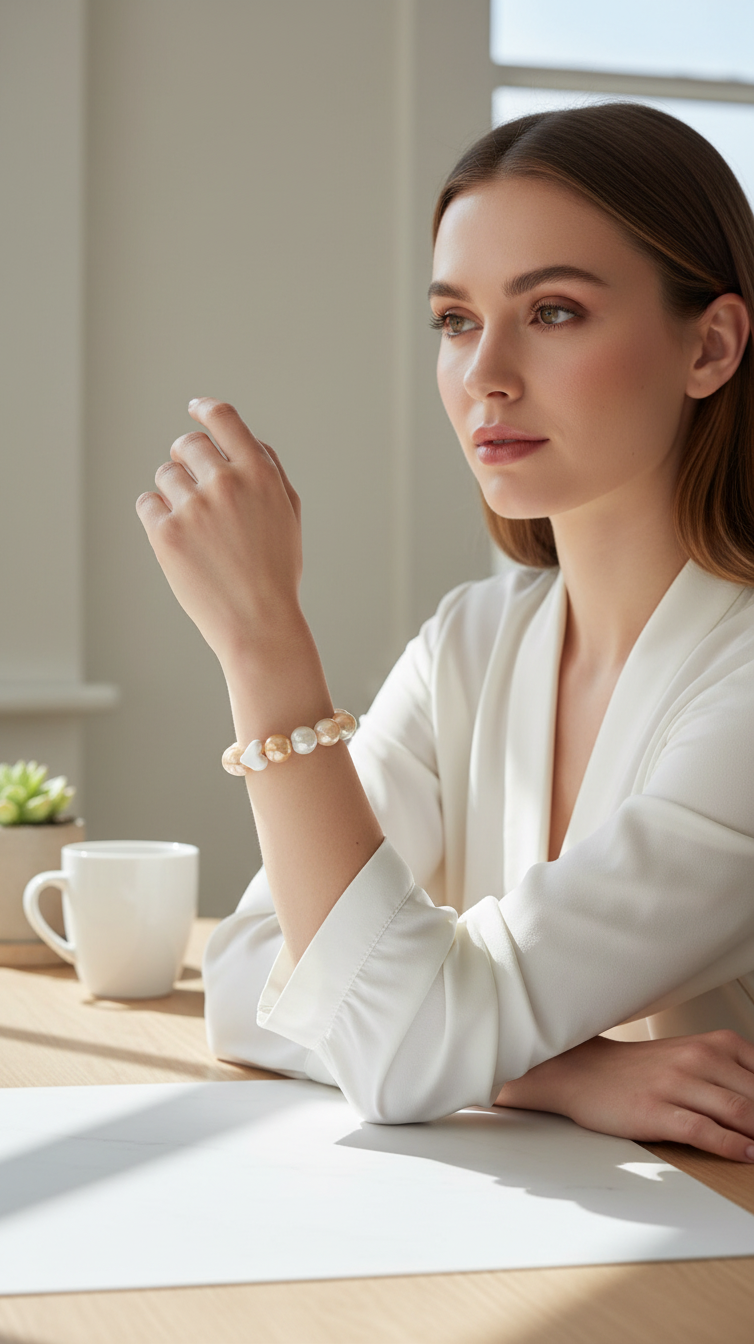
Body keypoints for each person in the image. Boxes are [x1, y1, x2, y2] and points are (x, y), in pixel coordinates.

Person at [136, 103, 754, 1161]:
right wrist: (565, 1074)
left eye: (553, 312)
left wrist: (264, 645)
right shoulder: (471, 639)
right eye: (456, 321)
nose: (485, 373)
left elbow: (376, 1027)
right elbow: (246, 975)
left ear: (709, 346)